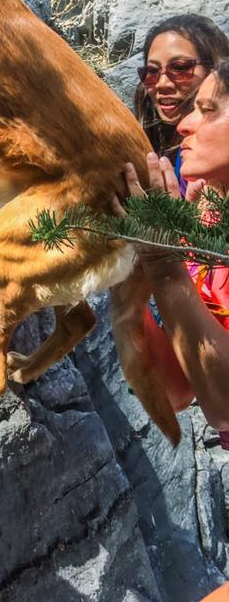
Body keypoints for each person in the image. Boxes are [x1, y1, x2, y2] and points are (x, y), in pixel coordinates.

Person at [119, 57, 229, 440]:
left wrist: (163, 265)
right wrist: (126, 284)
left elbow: (225, 408)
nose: (183, 124)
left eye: (207, 110)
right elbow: (178, 391)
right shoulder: (206, 212)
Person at [133, 14, 229, 186]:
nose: (162, 84)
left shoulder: (214, 166)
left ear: (216, 69)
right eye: (152, 71)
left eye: (180, 68)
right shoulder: (148, 145)